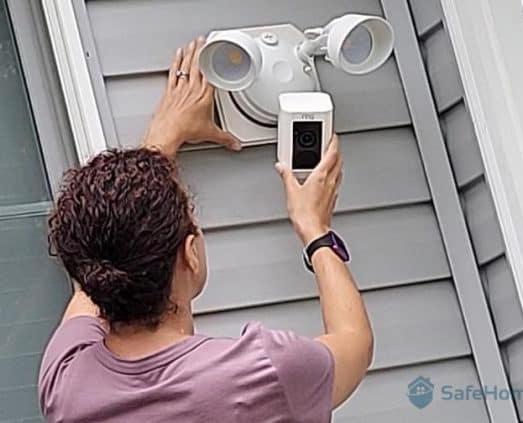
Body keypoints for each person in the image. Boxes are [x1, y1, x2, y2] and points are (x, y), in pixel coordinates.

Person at [38, 37, 374, 423]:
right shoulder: (258, 375)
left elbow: (102, 252)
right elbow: (354, 343)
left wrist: (161, 142)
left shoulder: (66, 380)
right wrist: (315, 230)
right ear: (190, 252)